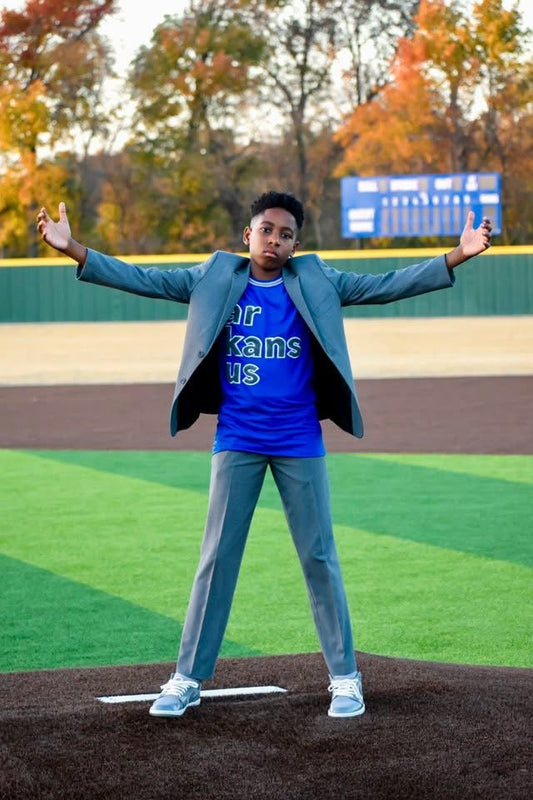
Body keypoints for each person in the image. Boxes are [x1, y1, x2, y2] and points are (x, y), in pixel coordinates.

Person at [36, 192, 492, 719]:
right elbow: (143, 278)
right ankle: (186, 678)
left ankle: (345, 678)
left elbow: (386, 286)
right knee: (217, 558)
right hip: (237, 438)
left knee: (319, 557)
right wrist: (73, 249)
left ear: (297, 244)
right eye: (266, 230)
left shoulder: (318, 279)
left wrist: (456, 255)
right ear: (247, 236)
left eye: (286, 234)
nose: (274, 240)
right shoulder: (213, 276)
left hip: (299, 440)